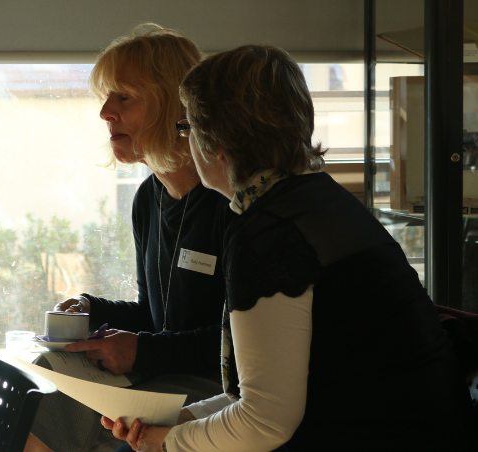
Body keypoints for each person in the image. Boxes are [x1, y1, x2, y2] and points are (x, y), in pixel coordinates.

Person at [106, 44, 475, 452]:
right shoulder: (317, 199)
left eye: (186, 128)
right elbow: (266, 393)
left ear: (219, 143)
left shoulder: (269, 233)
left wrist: (169, 440)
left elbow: (265, 421)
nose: (186, 141)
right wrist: (181, 420)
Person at [24, 24, 233, 452]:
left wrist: (143, 352)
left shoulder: (229, 200)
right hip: (170, 367)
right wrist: (92, 308)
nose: (105, 112)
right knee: (45, 377)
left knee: (92, 424)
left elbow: (243, 341)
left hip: (222, 383)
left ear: (174, 105)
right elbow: (157, 315)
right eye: (107, 97)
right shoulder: (148, 197)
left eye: (125, 97)